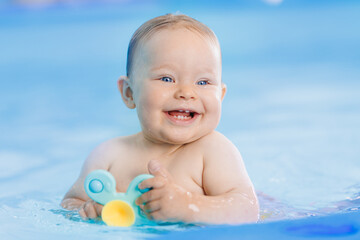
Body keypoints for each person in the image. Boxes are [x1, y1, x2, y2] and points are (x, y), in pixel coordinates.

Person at [61, 13, 259, 225]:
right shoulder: (108, 156)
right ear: (129, 93)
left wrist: (187, 206)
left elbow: (247, 210)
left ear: (220, 95)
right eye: (167, 78)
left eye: (203, 82)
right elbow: (70, 203)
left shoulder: (213, 151)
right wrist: (86, 212)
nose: (186, 92)